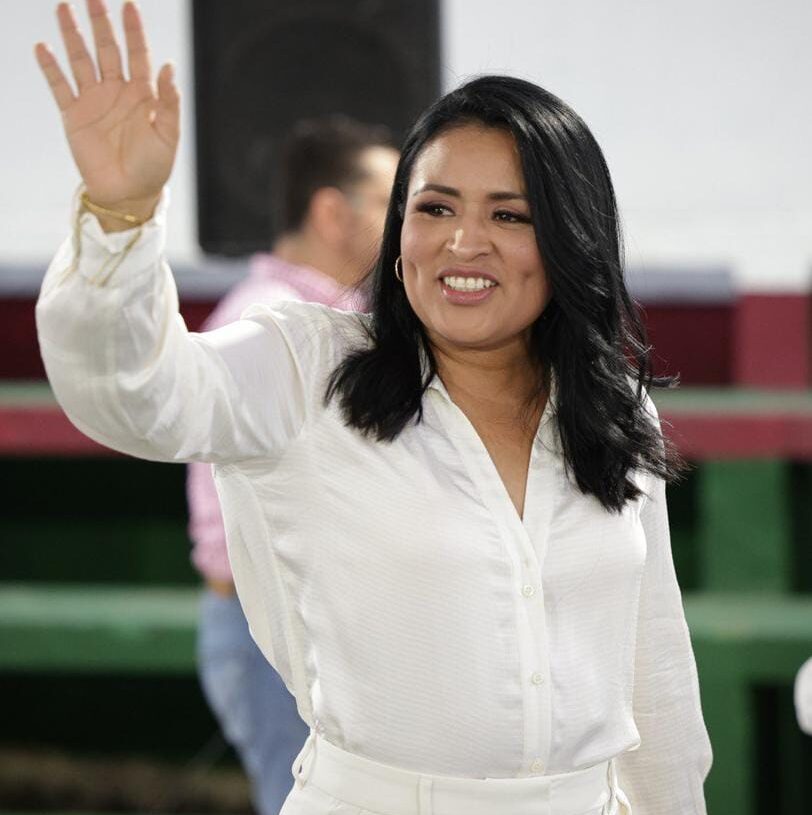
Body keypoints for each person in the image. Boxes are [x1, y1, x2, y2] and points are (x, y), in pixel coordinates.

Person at [34, 2, 713, 813]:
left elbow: (656, 681)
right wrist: (120, 217)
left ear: (572, 240)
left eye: (509, 214)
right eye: (435, 208)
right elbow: (131, 392)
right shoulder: (306, 367)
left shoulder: (615, 410)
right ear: (398, 234)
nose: (463, 242)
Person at [189, 116, 398, 814]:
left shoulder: (336, 319)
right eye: (392, 202)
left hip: (308, 623)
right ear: (332, 212)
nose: (412, 224)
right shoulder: (265, 324)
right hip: (278, 629)